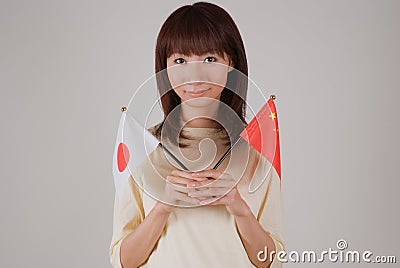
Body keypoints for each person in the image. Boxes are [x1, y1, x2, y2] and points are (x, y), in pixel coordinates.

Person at [109, 2, 285, 267]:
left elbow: (272, 261)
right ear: (165, 70)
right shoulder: (143, 148)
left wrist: (238, 207)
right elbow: (123, 260)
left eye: (210, 59)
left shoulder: (256, 152)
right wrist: (164, 205)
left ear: (231, 63)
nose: (195, 75)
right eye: (180, 60)